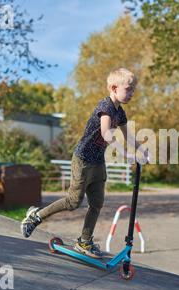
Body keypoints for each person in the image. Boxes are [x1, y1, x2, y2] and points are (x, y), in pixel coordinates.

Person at [20, 68, 147, 259]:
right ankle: (36, 217)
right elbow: (106, 133)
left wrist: (142, 149)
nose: (131, 94)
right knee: (73, 202)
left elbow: (128, 134)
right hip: (83, 160)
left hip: (97, 162)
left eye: (133, 91)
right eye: (128, 89)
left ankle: (84, 241)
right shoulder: (105, 107)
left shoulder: (120, 113)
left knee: (97, 203)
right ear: (114, 87)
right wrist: (125, 153)